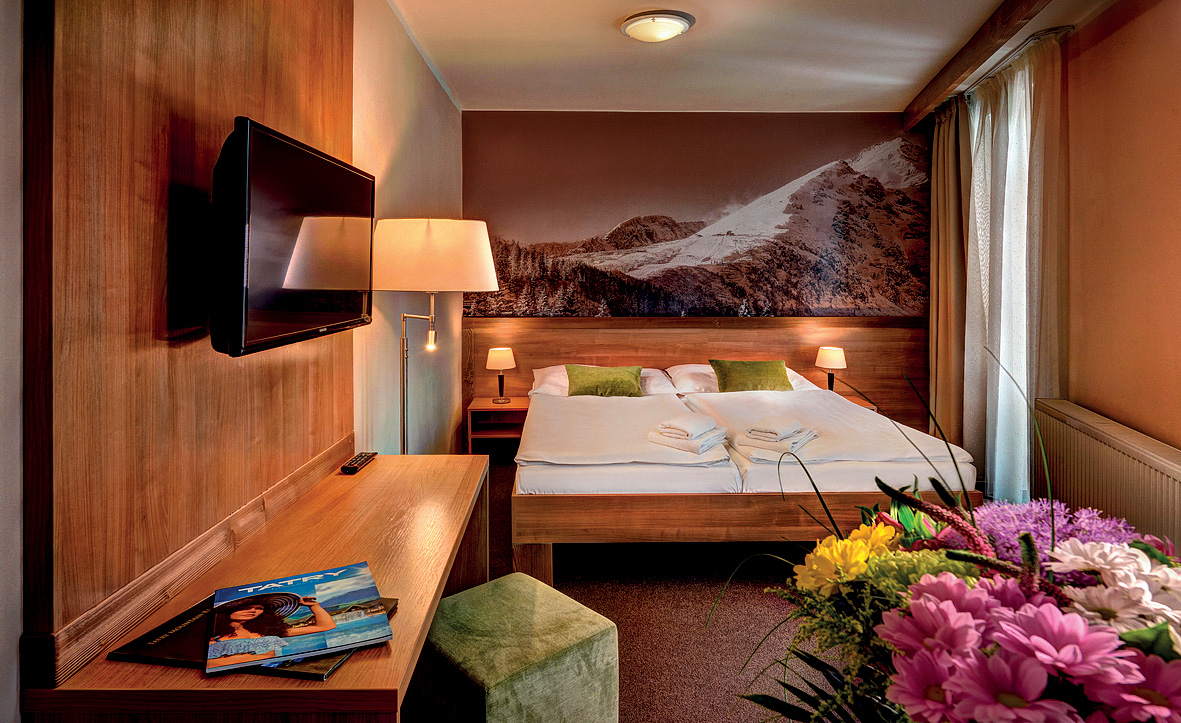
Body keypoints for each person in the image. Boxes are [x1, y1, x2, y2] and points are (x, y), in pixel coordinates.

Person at [207, 594, 337, 668]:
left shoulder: (265, 631)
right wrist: (258, 658)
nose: (252, 611)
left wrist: (314, 606)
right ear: (229, 610)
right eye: (246, 607)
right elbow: (209, 664)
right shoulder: (214, 636)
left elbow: (326, 626)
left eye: (259, 608)